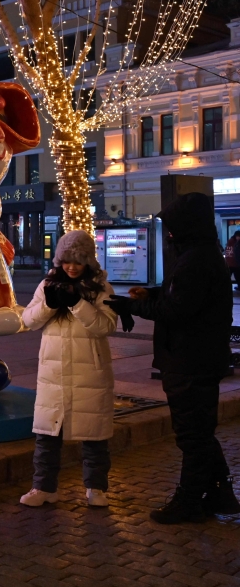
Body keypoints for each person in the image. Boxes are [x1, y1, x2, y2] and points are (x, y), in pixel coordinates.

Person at [106, 192, 240, 524]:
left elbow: (178, 309)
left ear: (187, 226)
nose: (169, 233)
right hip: (194, 359)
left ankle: (190, 501)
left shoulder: (196, 259)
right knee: (198, 432)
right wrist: (152, 293)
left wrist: (133, 306)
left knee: (192, 435)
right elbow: (180, 295)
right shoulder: (200, 254)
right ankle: (221, 494)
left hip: (191, 360)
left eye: (173, 226)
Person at [19, 230, 117, 508]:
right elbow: (29, 319)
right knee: (47, 434)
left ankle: (96, 488)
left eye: (78, 261)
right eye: (66, 261)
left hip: (90, 372)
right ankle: (43, 488)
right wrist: (51, 304)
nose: (71, 266)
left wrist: (77, 303)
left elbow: (105, 326)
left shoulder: (100, 287)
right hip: (54, 373)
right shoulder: (48, 283)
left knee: (94, 434)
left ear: (89, 262)